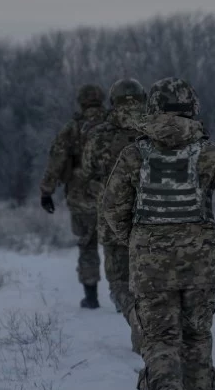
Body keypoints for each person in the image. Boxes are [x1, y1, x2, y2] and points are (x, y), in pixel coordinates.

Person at [101, 77, 215, 390]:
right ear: (193, 107)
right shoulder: (210, 153)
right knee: (196, 339)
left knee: (160, 341)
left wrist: (133, 240)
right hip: (201, 264)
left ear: (154, 108)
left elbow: (111, 208)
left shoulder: (134, 155)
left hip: (150, 265)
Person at [82, 78, 148, 352]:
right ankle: (152, 324)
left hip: (112, 219)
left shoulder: (99, 134)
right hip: (152, 219)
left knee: (120, 280)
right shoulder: (155, 129)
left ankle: (135, 318)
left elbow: (87, 172)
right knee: (148, 278)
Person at [40, 83, 108, 308]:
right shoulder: (115, 124)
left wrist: (47, 191)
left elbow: (56, 160)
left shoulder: (72, 128)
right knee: (119, 246)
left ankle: (91, 297)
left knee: (87, 244)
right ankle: (123, 297)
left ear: (81, 101)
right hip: (115, 194)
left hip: (81, 195)